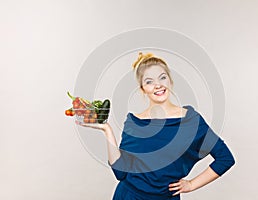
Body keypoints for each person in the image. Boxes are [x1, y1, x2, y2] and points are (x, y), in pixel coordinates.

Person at [77, 52, 235, 199]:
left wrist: (191, 184)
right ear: (143, 89)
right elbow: (121, 173)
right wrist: (107, 131)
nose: (158, 85)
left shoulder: (191, 121)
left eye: (162, 78)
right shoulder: (133, 123)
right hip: (129, 196)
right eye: (149, 81)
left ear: (170, 81)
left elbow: (225, 159)